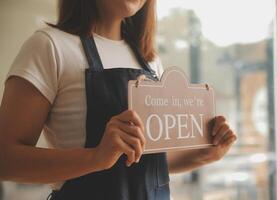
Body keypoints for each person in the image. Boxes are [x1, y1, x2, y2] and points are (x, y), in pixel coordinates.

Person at [0, 0, 237, 199]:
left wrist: (206, 154)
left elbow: (143, 160)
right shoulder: (49, 46)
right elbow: (5, 160)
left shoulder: (150, 62)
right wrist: (95, 158)